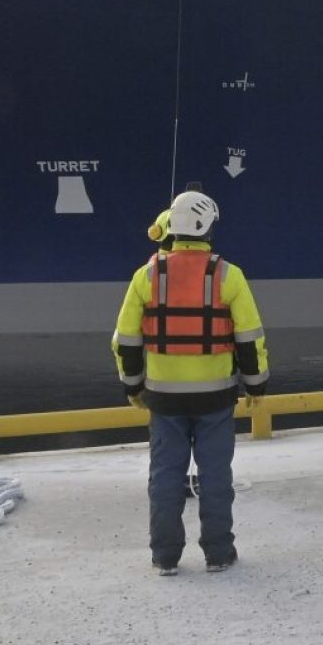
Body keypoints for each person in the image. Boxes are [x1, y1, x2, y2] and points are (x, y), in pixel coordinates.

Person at [112, 189, 269, 575]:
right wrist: (256, 386)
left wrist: (133, 387)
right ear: (207, 228)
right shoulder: (229, 275)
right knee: (216, 477)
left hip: (163, 401)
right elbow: (250, 338)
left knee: (165, 477)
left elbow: (125, 340)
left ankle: (165, 557)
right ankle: (218, 554)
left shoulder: (145, 276)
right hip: (215, 399)